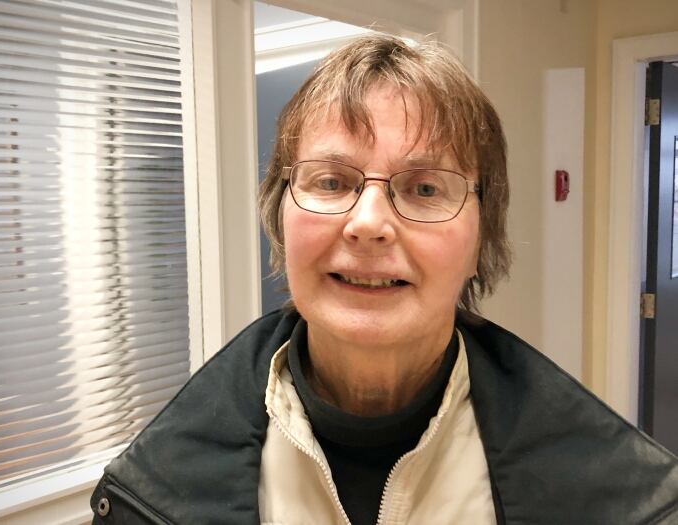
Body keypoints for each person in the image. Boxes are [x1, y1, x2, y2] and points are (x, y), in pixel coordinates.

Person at [90, 35, 678, 524]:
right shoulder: (148, 494)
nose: (368, 223)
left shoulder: (621, 496)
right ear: (279, 217)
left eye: (424, 188)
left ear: (481, 239)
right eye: (331, 182)